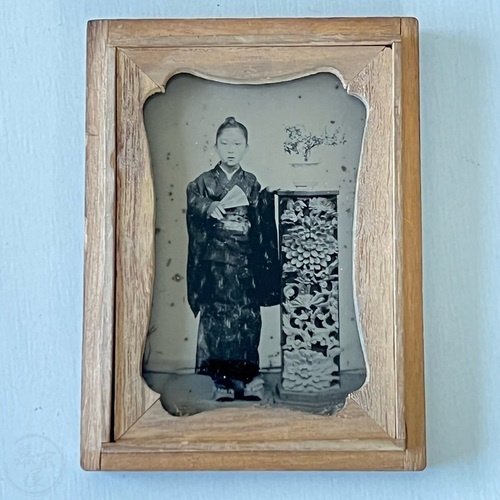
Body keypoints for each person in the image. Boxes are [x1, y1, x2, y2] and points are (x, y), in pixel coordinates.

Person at [186, 117, 279, 401]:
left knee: (246, 319)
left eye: (237, 144)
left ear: (246, 147)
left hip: (244, 262)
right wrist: (208, 206)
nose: (230, 149)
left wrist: (265, 205)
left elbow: (261, 226)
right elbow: (192, 201)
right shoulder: (203, 182)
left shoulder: (250, 183)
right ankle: (220, 380)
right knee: (216, 317)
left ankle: (248, 377)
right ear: (215, 146)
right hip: (214, 263)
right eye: (224, 143)